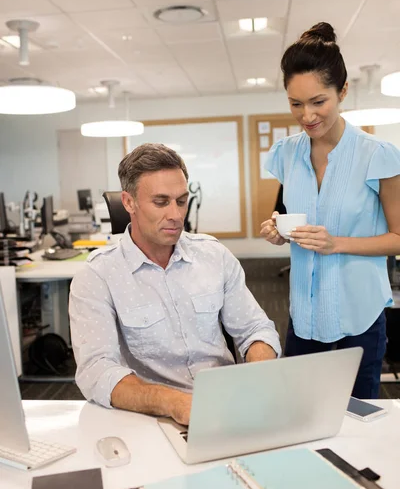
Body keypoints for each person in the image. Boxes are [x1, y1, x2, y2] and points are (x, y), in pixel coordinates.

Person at [70, 143, 281, 425]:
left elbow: (256, 329)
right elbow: (96, 371)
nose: (175, 214)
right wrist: (174, 403)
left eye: (181, 201)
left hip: (226, 407)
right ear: (129, 202)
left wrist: (255, 374)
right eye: (161, 202)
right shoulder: (98, 275)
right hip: (151, 418)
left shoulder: (213, 255)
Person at [261, 22, 400, 399]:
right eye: (295, 103)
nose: (307, 115)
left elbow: (398, 239)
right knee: (299, 412)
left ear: (343, 92)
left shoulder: (378, 154)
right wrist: (277, 230)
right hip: (304, 315)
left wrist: (335, 243)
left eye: (318, 101)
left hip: (359, 313)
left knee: (360, 420)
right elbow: (294, 219)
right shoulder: (286, 153)